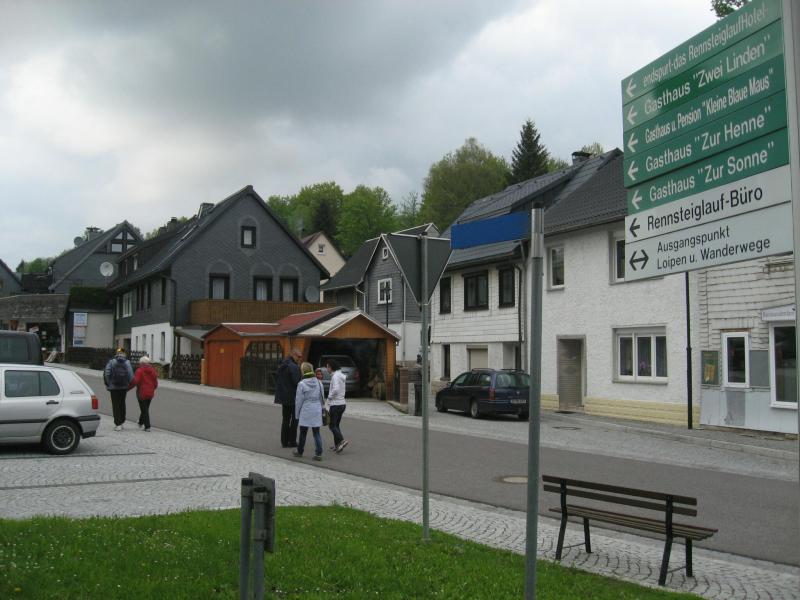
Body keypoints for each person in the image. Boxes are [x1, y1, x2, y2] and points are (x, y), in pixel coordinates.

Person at [293, 362, 325, 461]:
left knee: (303, 432)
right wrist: (321, 408)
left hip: (306, 409)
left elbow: (299, 400)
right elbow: (322, 397)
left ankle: (300, 451)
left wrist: (297, 414)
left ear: (303, 371)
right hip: (316, 408)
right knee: (316, 432)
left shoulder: (301, 384)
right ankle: (318, 453)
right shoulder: (319, 382)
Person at [275, 347, 302, 448]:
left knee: (285, 420)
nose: (299, 359)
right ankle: (292, 441)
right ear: (293, 354)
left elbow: (278, 378)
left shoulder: (282, 364)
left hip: (283, 396)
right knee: (295, 420)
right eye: (298, 356)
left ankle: (284, 441)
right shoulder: (293, 367)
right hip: (293, 397)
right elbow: (297, 382)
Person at [104, 348, 133, 431]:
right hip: (124, 387)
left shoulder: (111, 362)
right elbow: (130, 375)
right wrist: (128, 385)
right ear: (124, 354)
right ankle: (122, 421)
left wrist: (109, 383)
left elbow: (107, 373)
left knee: (115, 405)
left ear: (117, 354)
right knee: (122, 403)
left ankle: (118, 424)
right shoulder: (127, 362)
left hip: (113, 387)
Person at [128, 355, 158, 432]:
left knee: (144, 410)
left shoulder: (139, 371)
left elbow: (135, 381)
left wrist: (128, 388)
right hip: (150, 393)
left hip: (141, 393)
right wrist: (152, 388)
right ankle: (140, 422)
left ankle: (147, 426)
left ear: (141, 363)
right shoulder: (153, 370)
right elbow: (155, 383)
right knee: (145, 408)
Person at [326, 358, 348, 453]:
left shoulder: (335, 376)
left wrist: (329, 397)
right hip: (342, 404)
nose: (327, 369)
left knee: (332, 425)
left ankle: (342, 441)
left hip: (335, 404)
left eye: (327, 367)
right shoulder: (340, 375)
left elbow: (335, 389)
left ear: (331, 367)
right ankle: (337, 445)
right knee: (336, 425)